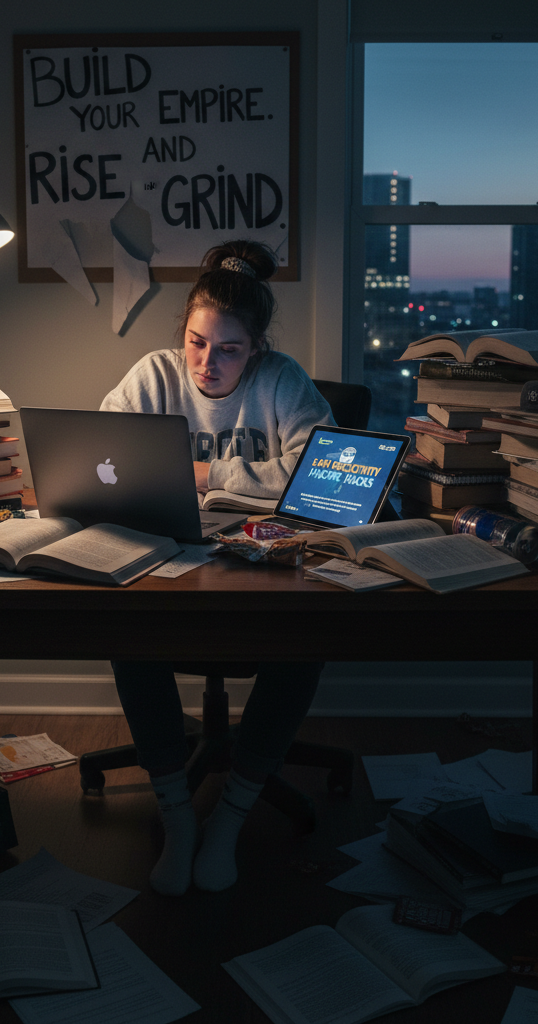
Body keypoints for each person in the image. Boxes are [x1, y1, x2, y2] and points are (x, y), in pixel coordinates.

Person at [100, 240, 332, 895]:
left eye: (229, 350)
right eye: (197, 343)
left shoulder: (282, 379)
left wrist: (203, 471)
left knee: (306, 639)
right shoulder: (155, 375)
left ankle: (231, 816)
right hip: (169, 560)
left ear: (255, 347)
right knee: (124, 627)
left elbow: (322, 470)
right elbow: (103, 458)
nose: (207, 364)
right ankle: (177, 812)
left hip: (265, 563)